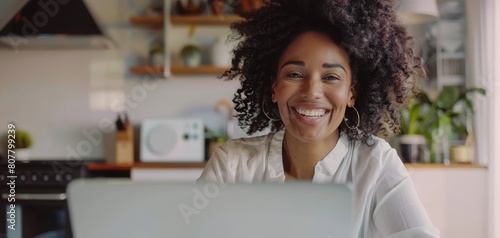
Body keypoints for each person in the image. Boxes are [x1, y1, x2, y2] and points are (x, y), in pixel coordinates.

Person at [198, 0, 439, 237]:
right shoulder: (232, 164)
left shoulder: (376, 163)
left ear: (351, 93)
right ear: (274, 88)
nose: (311, 91)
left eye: (331, 77)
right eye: (294, 74)